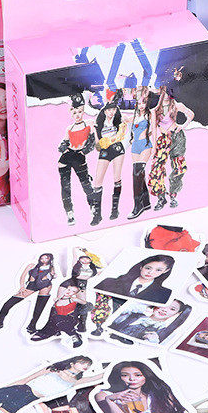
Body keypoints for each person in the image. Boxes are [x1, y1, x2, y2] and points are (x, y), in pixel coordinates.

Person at [0, 356, 97, 413]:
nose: (86, 365)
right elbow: (26, 379)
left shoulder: (75, 382)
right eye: (83, 362)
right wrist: (5, 387)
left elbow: (95, 378)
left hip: (30, 399)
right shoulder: (54, 368)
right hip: (20, 389)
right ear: (72, 363)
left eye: (88, 365)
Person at [147, 88, 194, 211]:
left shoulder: (177, 105)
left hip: (177, 137)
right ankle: (161, 197)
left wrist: (183, 126)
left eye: (169, 92)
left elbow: (191, 114)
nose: (167, 95)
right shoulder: (155, 110)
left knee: (179, 167)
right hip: (163, 139)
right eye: (164, 92)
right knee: (157, 168)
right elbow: (154, 129)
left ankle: (173, 195)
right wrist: (154, 146)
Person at [0, 253, 57, 333]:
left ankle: (32, 326)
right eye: (42, 258)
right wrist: (22, 286)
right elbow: (23, 276)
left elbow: (51, 277)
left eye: (46, 258)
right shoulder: (32, 265)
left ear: (50, 259)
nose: (44, 260)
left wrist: (52, 276)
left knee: (39, 307)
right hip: (32, 285)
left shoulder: (51, 267)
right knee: (8, 303)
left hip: (45, 286)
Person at [58, 94, 96, 225]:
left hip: (79, 157)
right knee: (65, 187)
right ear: (71, 114)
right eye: (74, 113)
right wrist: (64, 148)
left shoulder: (89, 123)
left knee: (86, 184)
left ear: (83, 111)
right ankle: (69, 214)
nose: (77, 115)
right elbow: (62, 144)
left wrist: (83, 151)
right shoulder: (69, 128)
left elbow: (92, 142)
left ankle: (93, 207)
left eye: (79, 111)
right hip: (66, 158)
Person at [90, 101, 127, 224]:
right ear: (105, 111)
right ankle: (97, 215)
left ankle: (115, 210)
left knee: (116, 178)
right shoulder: (99, 124)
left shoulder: (119, 122)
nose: (111, 112)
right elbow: (98, 147)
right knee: (97, 181)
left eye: (114, 109)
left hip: (117, 149)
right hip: (105, 151)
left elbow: (121, 135)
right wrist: (95, 131)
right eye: (109, 110)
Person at [30, 278, 88, 347]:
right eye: (68, 289)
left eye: (73, 291)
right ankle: (51, 331)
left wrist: (78, 300)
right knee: (54, 315)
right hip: (56, 321)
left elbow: (85, 303)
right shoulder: (59, 298)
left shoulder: (73, 299)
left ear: (75, 293)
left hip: (69, 320)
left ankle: (74, 335)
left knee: (58, 318)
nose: (69, 292)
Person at [126, 87, 155, 219]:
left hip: (145, 145)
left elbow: (154, 130)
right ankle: (146, 202)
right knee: (139, 174)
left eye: (144, 102)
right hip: (135, 146)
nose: (141, 105)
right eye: (139, 102)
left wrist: (154, 146)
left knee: (137, 173)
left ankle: (137, 206)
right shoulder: (134, 116)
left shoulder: (150, 114)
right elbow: (127, 126)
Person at [95, 255, 174, 303]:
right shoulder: (110, 282)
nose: (151, 272)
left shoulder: (164, 293)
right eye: (148, 268)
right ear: (141, 267)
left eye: (158, 270)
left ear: (165, 271)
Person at [108, 299, 192, 344]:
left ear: (177, 314)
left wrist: (152, 342)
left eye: (172, 309)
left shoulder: (163, 332)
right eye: (164, 305)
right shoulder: (133, 315)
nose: (165, 310)